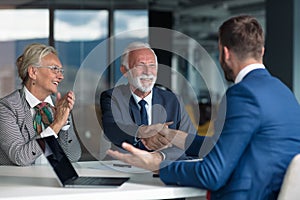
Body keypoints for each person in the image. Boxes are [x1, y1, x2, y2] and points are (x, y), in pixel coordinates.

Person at [107, 15, 300, 200]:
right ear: (262, 51)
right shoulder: (285, 93)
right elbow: (224, 147)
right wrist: (174, 136)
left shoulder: (243, 94)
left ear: (224, 52)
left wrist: (157, 164)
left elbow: (212, 174)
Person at [100, 41, 197, 160]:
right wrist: (143, 132)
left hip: (163, 169)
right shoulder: (113, 97)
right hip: (124, 168)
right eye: (140, 65)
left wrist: (160, 157)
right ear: (125, 71)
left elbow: (191, 142)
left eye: (152, 65)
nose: (147, 72)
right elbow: (113, 129)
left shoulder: (173, 100)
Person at [0, 43, 82, 166]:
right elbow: (20, 157)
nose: (61, 76)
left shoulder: (59, 106)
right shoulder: (7, 107)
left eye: (61, 71)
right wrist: (57, 124)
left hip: (54, 180)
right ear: (33, 72)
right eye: (54, 69)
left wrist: (64, 124)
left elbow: (73, 157)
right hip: (19, 182)